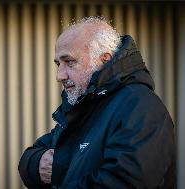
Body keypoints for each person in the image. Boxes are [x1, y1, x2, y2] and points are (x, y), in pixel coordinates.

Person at [18, 16, 176, 189]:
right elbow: (36, 153)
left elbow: (124, 182)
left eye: (69, 62)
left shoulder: (140, 106)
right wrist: (37, 163)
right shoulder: (86, 105)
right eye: (58, 64)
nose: (59, 75)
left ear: (104, 60)